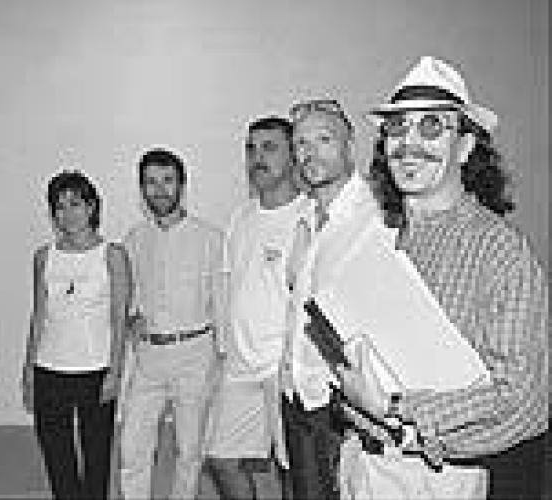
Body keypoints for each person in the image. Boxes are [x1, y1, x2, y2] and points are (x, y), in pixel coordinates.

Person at [340, 55, 548, 499]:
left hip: (435, 478)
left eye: (431, 126)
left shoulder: (498, 248)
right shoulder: (384, 239)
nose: (409, 143)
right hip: (364, 463)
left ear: (466, 147)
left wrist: (392, 408)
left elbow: (521, 398)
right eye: (397, 127)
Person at [205, 116, 312, 499]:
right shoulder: (241, 217)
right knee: (221, 459)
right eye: (250, 149)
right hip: (240, 365)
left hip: (283, 368)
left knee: (293, 471)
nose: (257, 158)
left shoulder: (309, 216)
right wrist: (224, 349)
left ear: (294, 156)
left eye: (269, 148)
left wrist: (295, 363)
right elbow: (229, 286)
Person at [280, 98, 382, 499]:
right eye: (301, 143)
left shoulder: (375, 218)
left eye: (324, 139)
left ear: (349, 145)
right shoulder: (304, 218)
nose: (310, 152)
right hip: (299, 397)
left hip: (345, 407)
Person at [118, 148, 225, 499]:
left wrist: (223, 357)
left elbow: (221, 300)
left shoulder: (210, 238)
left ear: (182, 185)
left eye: (167, 181)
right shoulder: (134, 239)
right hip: (148, 356)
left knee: (189, 451)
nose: (160, 190)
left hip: (195, 354)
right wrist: (131, 318)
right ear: (142, 189)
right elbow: (128, 294)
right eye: (151, 182)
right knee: (132, 447)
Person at [21, 170, 131, 499]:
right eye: (59, 206)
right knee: (58, 461)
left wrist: (115, 371)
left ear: (92, 207)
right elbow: (39, 315)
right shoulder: (44, 256)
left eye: (75, 204)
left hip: (95, 371)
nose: (68, 213)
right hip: (49, 370)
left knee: (96, 460)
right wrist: (29, 370)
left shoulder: (112, 255)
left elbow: (119, 318)